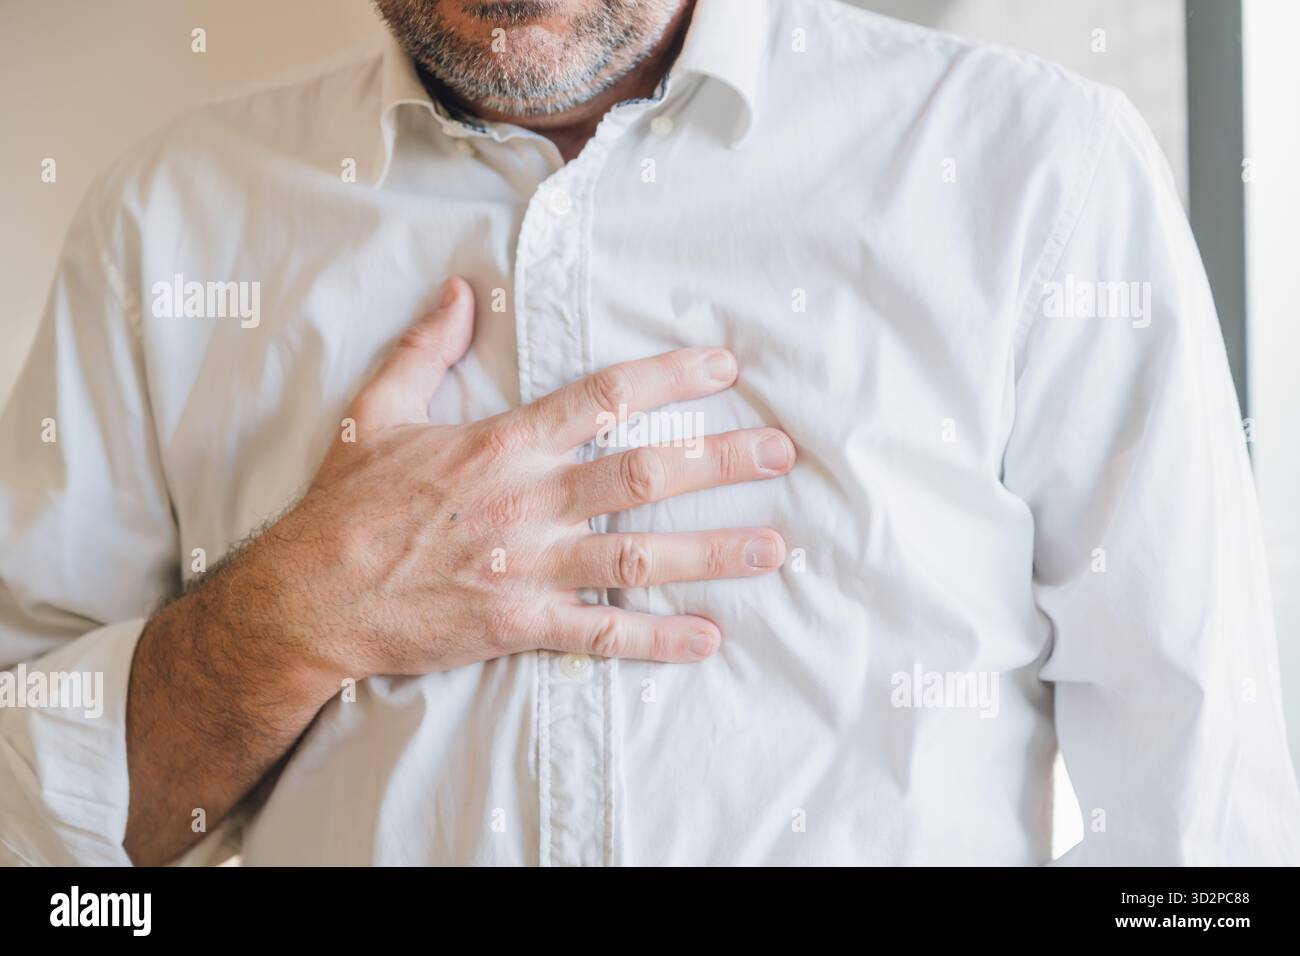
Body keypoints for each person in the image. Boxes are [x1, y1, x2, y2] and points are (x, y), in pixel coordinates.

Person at [2, 0, 1297, 866]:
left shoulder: (1041, 173)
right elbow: (37, 835)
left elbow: (1203, 830)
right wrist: (294, 612)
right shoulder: (161, 232)